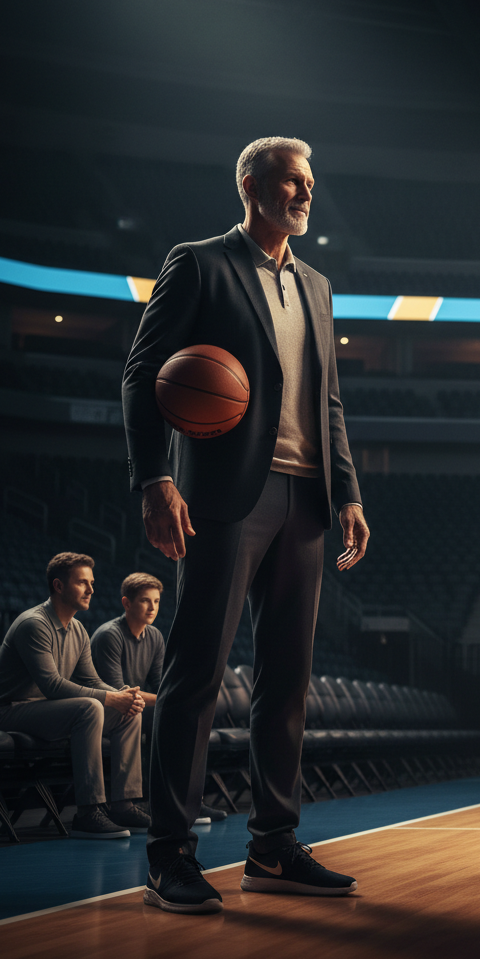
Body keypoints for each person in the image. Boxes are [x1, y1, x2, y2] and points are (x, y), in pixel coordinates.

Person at [123, 136, 370, 914]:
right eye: (291, 181)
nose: (304, 193)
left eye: (310, 183)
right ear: (251, 184)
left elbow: (327, 401)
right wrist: (156, 477)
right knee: (195, 674)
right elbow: (142, 372)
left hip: (306, 500)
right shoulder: (199, 263)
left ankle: (272, 845)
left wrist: (349, 492)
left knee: (286, 681)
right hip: (226, 494)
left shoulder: (319, 286)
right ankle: (169, 855)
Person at [0, 552, 150, 839]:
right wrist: (109, 698)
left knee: (129, 712)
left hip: (43, 710)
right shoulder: (34, 624)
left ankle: (123, 805)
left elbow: (91, 680)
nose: (91, 590)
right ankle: (89, 812)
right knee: (90, 707)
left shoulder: (79, 629)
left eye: (92, 583)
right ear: (59, 586)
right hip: (5, 711)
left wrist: (123, 695)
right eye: (83, 583)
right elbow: (53, 686)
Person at [90, 572, 226, 825]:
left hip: (139, 707)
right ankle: (154, 803)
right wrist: (170, 700)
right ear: (127, 603)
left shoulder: (154, 636)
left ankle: (188, 802)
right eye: (145, 601)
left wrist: (175, 701)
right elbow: (120, 692)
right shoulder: (109, 635)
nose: (152, 607)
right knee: (162, 712)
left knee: (184, 717)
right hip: (108, 708)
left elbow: (163, 685)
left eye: (156, 601)